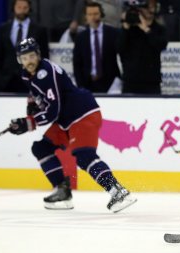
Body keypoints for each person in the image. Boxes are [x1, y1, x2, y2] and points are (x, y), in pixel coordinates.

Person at [9, 38, 137, 212]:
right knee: (41, 148)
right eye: (24, 58)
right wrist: (28, 114)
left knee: (84, 156)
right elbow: (37, 98)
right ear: (19, 60)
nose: (29, 61)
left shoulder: (46, 72)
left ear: (38, 55)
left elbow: (53, 110)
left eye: (32, 56)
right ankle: (62, 192)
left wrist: (29, 122)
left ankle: (118, 191)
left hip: (82, 114)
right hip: (65, 120)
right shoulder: (27, 74)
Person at [0, 0, 48, 93]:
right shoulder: (3, 28)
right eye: (19, 7)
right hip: (7, 81)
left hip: (31, 80)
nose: (22, 11)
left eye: (25, 8)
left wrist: (39, 79)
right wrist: (0, 79)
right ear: (13, 8)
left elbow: (44, 56)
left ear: (29, 9)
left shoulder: (39, 30)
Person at [73, 1, 122, 93]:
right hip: (87, 83)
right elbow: (77, 63)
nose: (93, 17)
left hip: (111, 83)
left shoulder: (113, 33)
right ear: (86, 17)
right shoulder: (81, 37)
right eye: (90, 14)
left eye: (96, 14)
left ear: (101, 14)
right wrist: (80, 85)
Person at [120, 0, 168, 94]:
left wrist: (146, 29)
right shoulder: (130, 28)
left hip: (151, 82)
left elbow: (161, 45)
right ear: (140, 9)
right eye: (146, 7)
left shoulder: (159, 29)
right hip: (130, 81)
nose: (149, 10)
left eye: (152, 7)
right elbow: (119, 48)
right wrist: (125, 28)